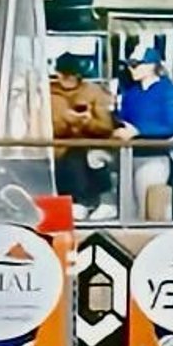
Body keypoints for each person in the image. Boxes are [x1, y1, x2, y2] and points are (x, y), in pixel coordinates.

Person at [116, 47, 173, 220]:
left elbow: (170, 126)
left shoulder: (169, 91)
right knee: (129, 210)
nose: (131, 69)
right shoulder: (131, 93)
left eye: (136, 65)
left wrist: (138, 131)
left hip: (155, 155)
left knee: (150, 208)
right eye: (129, 65)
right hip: (128, 155)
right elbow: (123, 119)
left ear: (151, 66)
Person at [50, 52, 117, 220]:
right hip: (54, 149)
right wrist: (65, 121)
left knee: (79, 157)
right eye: (66, 76)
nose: (70, 81)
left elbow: (106, 126)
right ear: (58, 74)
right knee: (67, 159)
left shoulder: (94, 92)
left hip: (87, 146)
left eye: (74, 76)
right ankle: (72, 206)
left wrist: (87, 122)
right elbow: (41, 125)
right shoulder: (47, 94)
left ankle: (83, 203)